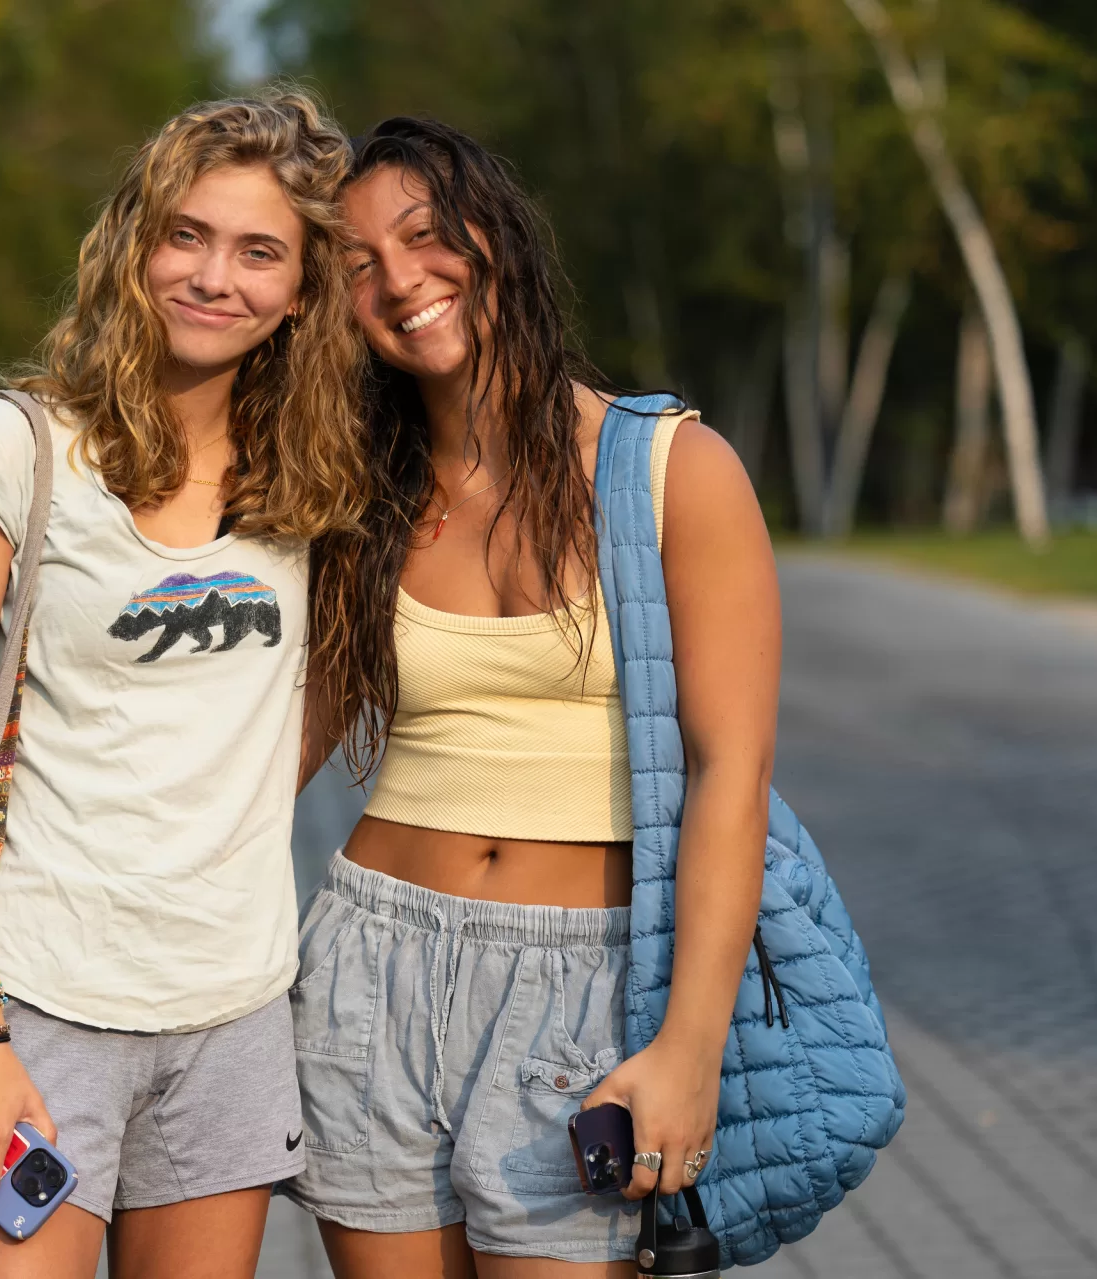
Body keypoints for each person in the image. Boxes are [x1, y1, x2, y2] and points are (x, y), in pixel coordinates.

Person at [290, 117, 780, 1276]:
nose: (398, 279)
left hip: (585, 989)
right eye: (355, 265)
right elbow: (273, 752)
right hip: (370, 962)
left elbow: (731, 773)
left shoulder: (672, 471)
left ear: (493, 236)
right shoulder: (355, 495)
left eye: (420, 235)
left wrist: (689, 1048)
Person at [0, 89, 365, 1278]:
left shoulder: (313, 480)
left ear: (302, 287)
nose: (215, 277)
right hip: (38, 1008)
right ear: (133, 245)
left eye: (260, 251)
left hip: (234, 1012)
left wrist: (226, 800)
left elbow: (325, 692)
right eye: (186, 235)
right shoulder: (13, 449)